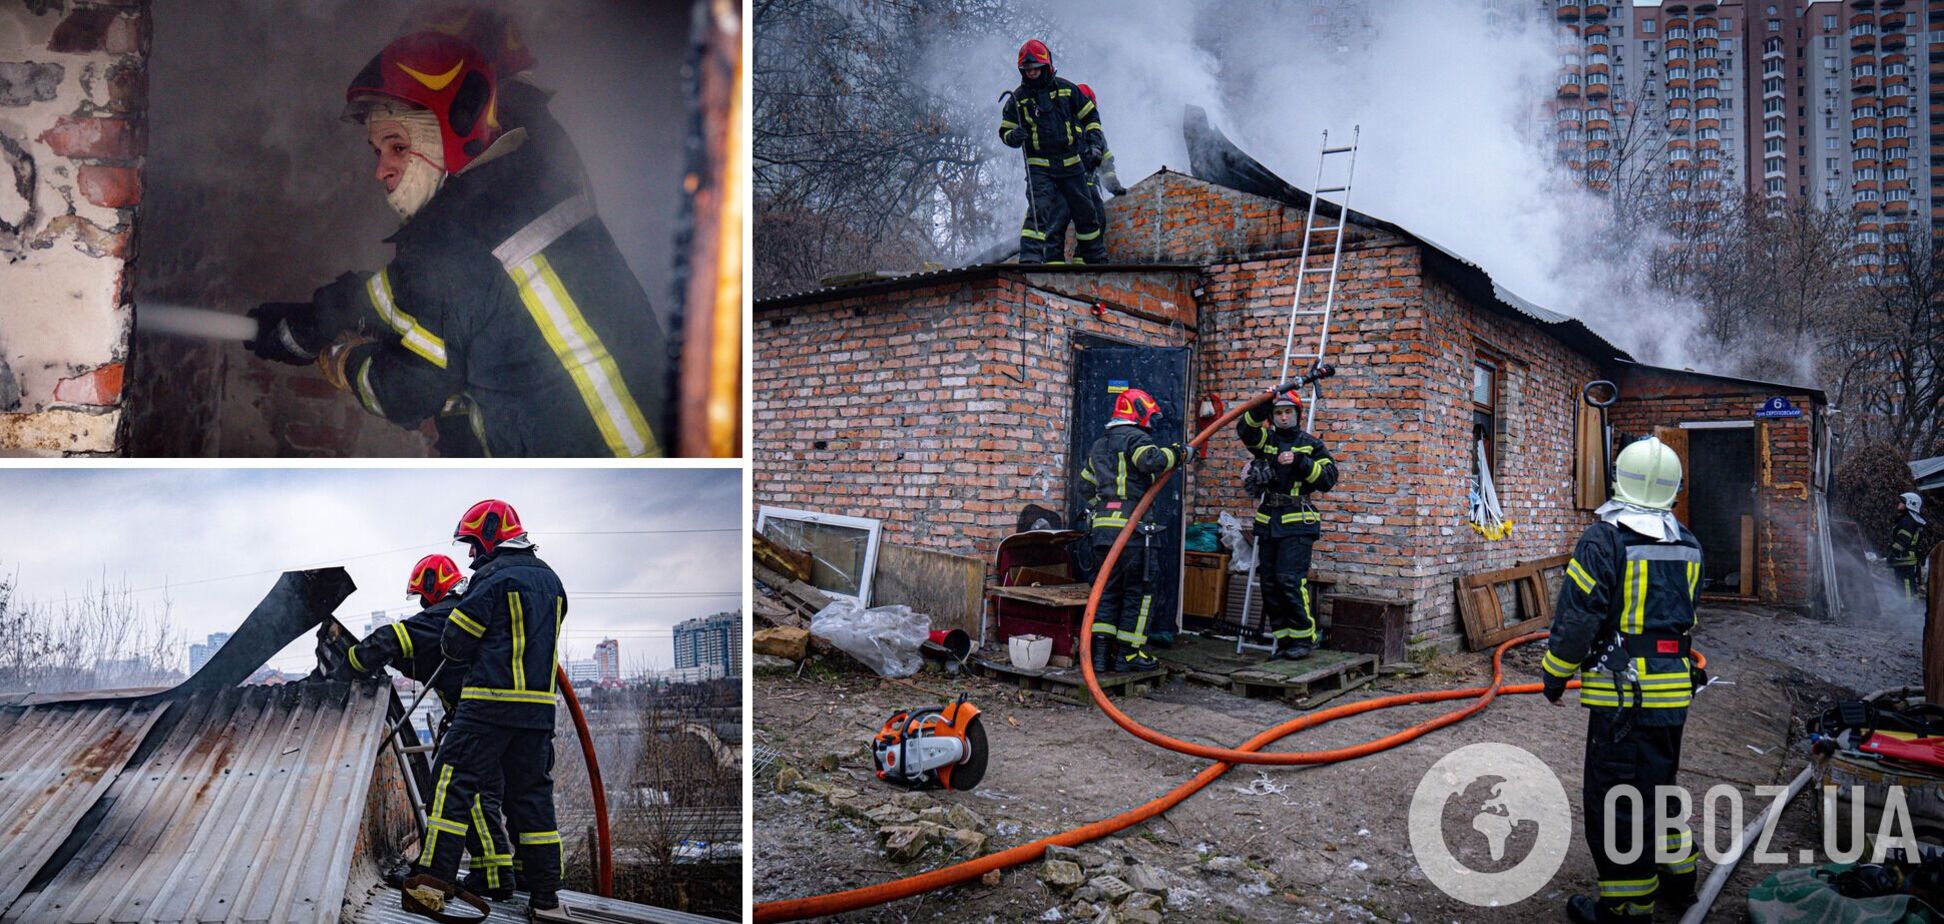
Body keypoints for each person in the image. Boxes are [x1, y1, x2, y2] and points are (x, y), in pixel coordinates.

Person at [248, 28, 669, 458]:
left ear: (448, 131)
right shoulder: (538, 164)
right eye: (377, 152)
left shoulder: (447, 242)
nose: (382, 171)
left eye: (397, 145)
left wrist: (342, 358)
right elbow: (428, 295)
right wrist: (321, 315)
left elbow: (403, 394)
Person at [1540, 436, 1705, 924]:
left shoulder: (1603, 539)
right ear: (1673, 488)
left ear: (1619, 479)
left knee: (1617, 799)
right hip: (1673, 691)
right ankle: (1679, 877)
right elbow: (1686, 616)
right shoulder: (1688, 542)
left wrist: (1555, 673)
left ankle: (1628, 907)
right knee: (1660, 784)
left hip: (1624, 695)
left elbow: (1578, 619)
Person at [322, 554, 517, 899]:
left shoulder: (446, 613)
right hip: (500, 719)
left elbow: (393, 638)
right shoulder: (464, 611)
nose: (424, 605)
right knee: (482, 795)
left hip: (477, 719)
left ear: (432, 588)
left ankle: (483, 876)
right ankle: (493, 873)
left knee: (463, 792)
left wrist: (349, 665)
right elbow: (425, 659)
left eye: (424, 597)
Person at [409, 499, 567, 916]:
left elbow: (455, 641)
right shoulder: (552, 581)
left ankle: (434, 880)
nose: (470, 555)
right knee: (532, 796)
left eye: (472, 544)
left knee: (451, 781)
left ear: (491, 534)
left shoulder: (492, 578)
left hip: (487, 707)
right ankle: (546, 894)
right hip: (537, 714)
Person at [1078, 387, 1181, 673]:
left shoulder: (1099, 445)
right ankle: (1128, 655)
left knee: (1107, 591)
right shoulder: (1136, 438)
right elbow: (1152, 460)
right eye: (1149, 416)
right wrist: (1178, 453)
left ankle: (1099, 657)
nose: (1151, 423)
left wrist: (1103, 506)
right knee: (1139, 591)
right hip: (1134, 533)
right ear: (1138, 412)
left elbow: (1085, 485)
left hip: (1102, 533)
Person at [1236, 385, 1338, 659]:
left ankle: (1304, 639)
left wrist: (1302, 462)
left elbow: (1328, 479)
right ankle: (1284, 640)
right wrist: (1262, 403)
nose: (1283, 417)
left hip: (1297, 523)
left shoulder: (1310, 444)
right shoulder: (1265, 441)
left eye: (1288, 412)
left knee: (1289, 581)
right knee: (1269, 584)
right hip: (1268, 521)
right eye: (1278, 412)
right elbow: (1245, 430)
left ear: (1297, 414)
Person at [999, 40, 1107, 265]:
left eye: (1035, 69)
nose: (1032, 74)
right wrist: (1013, 137)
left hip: (1071, 163)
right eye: (1027, 70)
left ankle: (1095, 260)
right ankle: (1030, 261)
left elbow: (1091, 117)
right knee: (1039, 212)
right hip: (1039, 167)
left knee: (1086, 212)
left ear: (1046, 66)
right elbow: (1005, 130)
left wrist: (1095, 145)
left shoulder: (1067, 89)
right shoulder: (1018, 99)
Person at [1074, 84, 1127, 235]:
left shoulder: (1096, 134)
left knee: (1096, 223)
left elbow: (1106, 164)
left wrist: (1114, 186)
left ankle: (1085, 259)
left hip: (1089, 187)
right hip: (1067, 186)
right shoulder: (1065, 126)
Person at [1889, 492, 1929, 602]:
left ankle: (1908, 609)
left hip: (1904, 559)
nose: (1899, 503)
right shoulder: (1911, 520)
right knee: (1905, 585)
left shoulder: (1907, 522)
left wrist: (1892, 553)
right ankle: (1904, 607)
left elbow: (1902, 541)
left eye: (1902, 502)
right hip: (1906, 559)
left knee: (1905, 586)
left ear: (1910, 504)